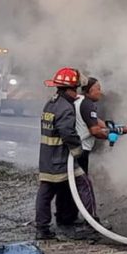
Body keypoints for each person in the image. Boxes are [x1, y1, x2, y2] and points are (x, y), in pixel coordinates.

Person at [34, 67, 98, 240]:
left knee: (45, 193)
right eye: (75, 89)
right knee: (84, 184)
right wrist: (77, 151)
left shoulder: (51, 103)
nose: (76, 93)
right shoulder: (66, 108)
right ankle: (93, 222)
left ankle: (42, 228)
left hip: (47, 159)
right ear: (70, 89)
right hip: (61, 159)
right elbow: (67, 132)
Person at [74, 76, 127, 175]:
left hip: (75, 148)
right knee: (82, 183)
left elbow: (93, 120)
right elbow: (95, 131)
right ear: (90, 90)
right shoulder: (88, 104)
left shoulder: (79, 100)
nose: (100, 92)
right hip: (81, 150)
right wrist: (111, 134)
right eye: (98, 89)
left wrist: (111, 127)